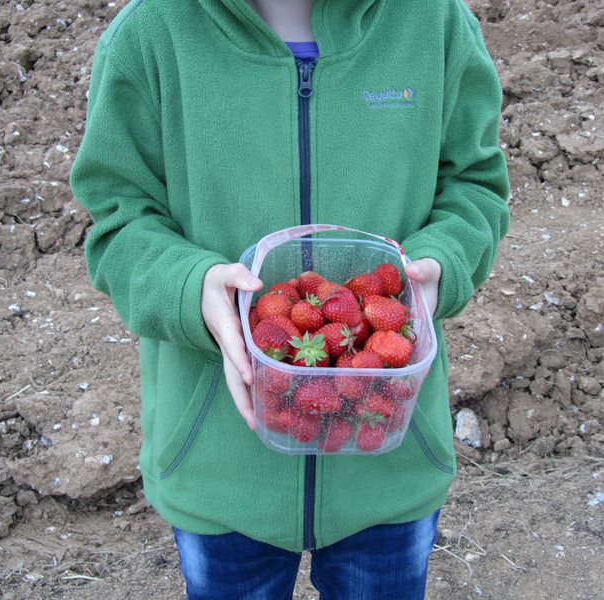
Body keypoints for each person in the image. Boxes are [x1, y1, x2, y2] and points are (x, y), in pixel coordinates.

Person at [69, 0, 510, 597]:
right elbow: (118, 219)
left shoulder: (432, 23)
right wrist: (191, 287)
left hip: (387, 453)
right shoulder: (152, 35)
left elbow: (475, 186)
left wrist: (440, 265)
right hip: (221, 465)